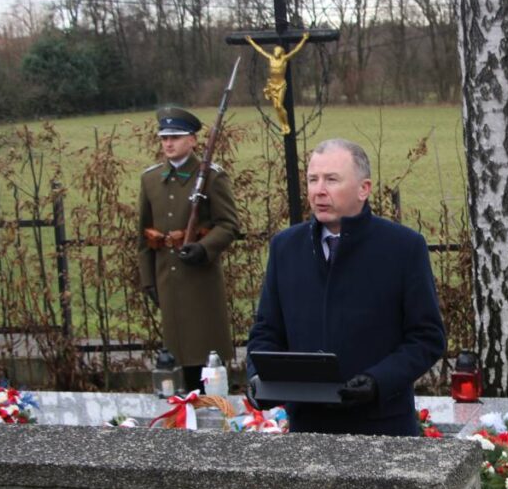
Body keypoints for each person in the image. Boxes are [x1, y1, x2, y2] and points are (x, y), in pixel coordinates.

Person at [246, 138, 446, 436]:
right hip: (308, 430)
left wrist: (378, 382)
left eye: (332, 179)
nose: (319, 190)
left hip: (383, 428)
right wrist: (258, 378)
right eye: (313, 179)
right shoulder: (286, 247)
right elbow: (266, 330)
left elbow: (427, 338)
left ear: (363, 189)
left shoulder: (403, 248)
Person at [138, 107, 240, 392]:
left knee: (207, 362)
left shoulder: (212, 177)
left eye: (176, 137)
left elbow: (228, 225)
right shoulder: (150, 180)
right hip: (166, 279)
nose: (168, 143)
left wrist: (202, 248)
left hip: (200, 283)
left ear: (193, 140)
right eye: (164, 138)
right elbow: (144, 236)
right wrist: (148, 280)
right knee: (175, 360)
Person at [245, 33, 310, 134]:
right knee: (276, 107)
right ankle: (283, 126)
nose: (276, 52)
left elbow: (295, 50)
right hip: (272, 85)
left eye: (278, 51)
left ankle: (286, 125)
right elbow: (260, 50)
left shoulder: (284, 59)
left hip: (280, 85)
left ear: (281, 52)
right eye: (275, 50)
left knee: (279, 105)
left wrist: (304, 39)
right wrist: (251, 41)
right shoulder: (271, 58)